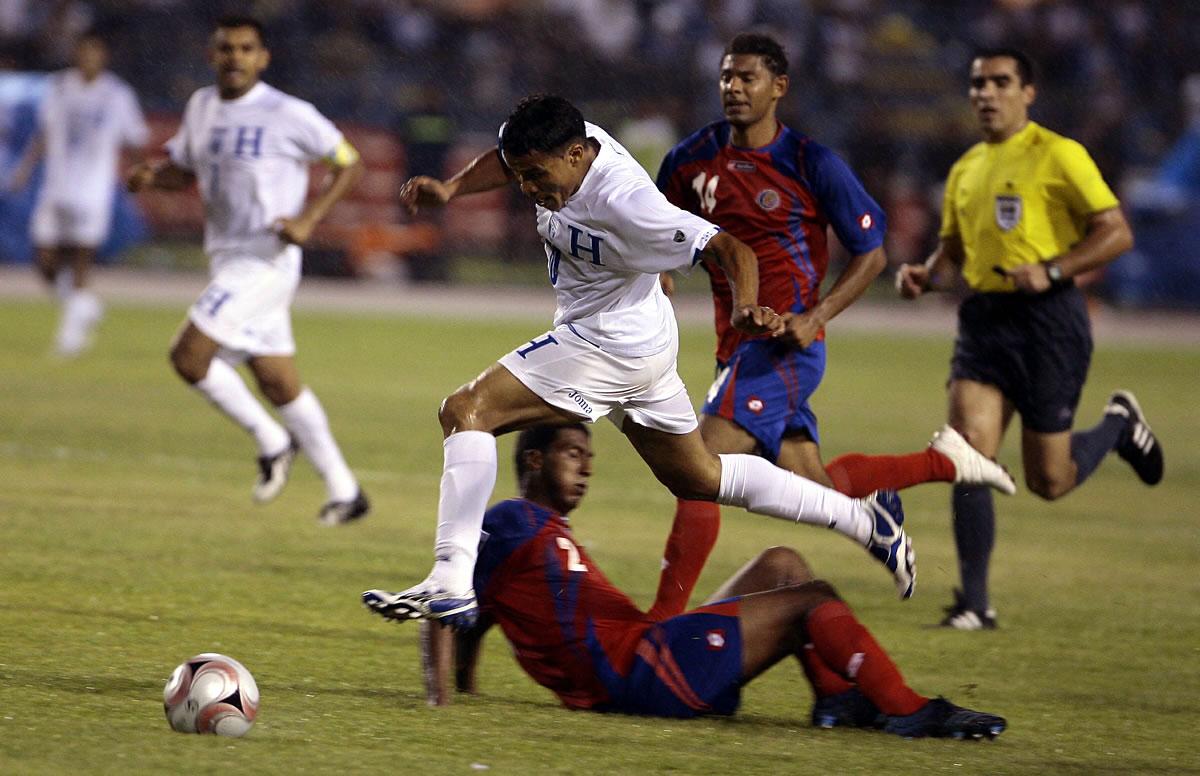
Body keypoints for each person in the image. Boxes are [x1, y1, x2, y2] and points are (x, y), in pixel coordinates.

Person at [363, 94, 915, 629]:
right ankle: (864, 519)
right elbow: (509, 162)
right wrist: (454, 187)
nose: (527, 188)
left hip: (608, 342)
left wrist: (746, 307)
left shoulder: (627, 202)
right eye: (521, 176)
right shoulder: (566, 151)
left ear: (577, 156)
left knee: (466, 411)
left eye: (535, 176)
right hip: (641, 339)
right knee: (700, 475)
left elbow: (731, 249)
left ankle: (450, 579)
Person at [653, 33, 1016, 617]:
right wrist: (657, 270)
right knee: (810, 482)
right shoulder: (691, 159)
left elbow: (871, 252)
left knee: (697, 467)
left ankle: (659, 623)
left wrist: (816, 315)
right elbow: (656, 225)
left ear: (779, 87)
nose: (734, 88)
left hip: (786, 349)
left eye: (747, 78)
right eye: (726, 77)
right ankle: (942, 463)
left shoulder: (810, 163)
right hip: (736, 348)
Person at [408, 424, 1006, 740]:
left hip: (647, 653)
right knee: (813, 601)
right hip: (642, 673)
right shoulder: (511, 520)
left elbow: (474, 614)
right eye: (571, 454)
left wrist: (464, 684)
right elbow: (449, 602)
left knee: (783, 564)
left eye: (589, 457)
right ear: (533, 462)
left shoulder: (530, 537)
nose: (586, 468)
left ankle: (838, 703)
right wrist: (441, 699)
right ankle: (908, 710)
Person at [895, 47, 1164, 630]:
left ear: (1028, 92)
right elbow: (955, 253)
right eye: (977, 84)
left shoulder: (1059, 154)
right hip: (986, 321)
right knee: (966, 453)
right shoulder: (966, 168)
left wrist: (1057, 270)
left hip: (1049, 321)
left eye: (999, 82)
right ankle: (974, 604)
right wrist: (927, 272)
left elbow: (1116, 232)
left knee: (1050, 480)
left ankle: (1118, 424)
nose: (986, 94)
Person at [126, 15, 370, 525]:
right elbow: (184, 172)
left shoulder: (288, 113)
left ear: (263, 58)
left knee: (189, 356)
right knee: (278, 381)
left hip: (266, 260)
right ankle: (346, 491)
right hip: (226, 259)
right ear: (212, 55)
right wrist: (152, 176)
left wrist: (307, 219)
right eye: (225, 48)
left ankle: (272, 440)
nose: (234, 57)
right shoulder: (200, 107)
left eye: (245, 48)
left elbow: (348, 162)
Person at [6, 32, 148, 357]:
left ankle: (71, 335)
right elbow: (45, 131)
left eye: (94, 52)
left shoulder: (117, 94)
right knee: (44, 262)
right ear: (75, 54)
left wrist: (144, 175)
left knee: (81, 259)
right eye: (83, 52)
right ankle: (84, 304)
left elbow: (135, 138)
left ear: (104, 56)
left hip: (92, 190)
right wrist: (25, 169)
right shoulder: (58, 86)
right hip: (56, 186)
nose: (88, 58)